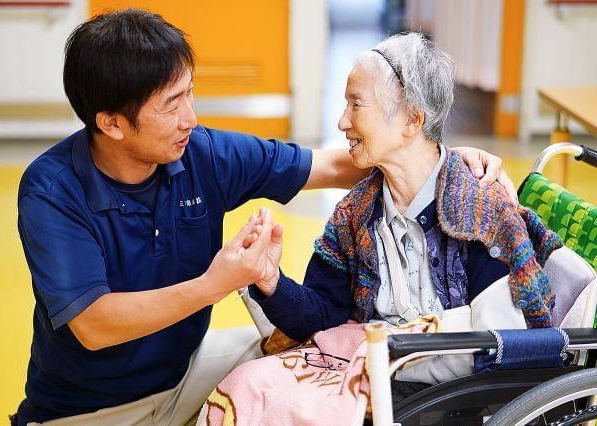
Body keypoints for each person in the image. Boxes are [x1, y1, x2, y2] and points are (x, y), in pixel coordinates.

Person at [13, 10, 513, 426]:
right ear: (111, 123)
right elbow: (94, 326)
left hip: (185, 370)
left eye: (190, 92)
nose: (191, 116)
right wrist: (218, 283)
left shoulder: (200, 151)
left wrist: (439, 156)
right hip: (93, 408)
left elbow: (332, 164)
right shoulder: (52, 190)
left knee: (302, 366)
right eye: (171, 105)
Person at [198, 32, 562, 423]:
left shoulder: (480, 214)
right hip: (371, 367)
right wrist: (271, 282)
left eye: (356, 105)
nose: (342, 121)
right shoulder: (354, 215)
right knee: (248, 385)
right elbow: (323, 318)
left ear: (411, 119)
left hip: (443, 395)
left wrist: (391, 358)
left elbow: (502, 346)